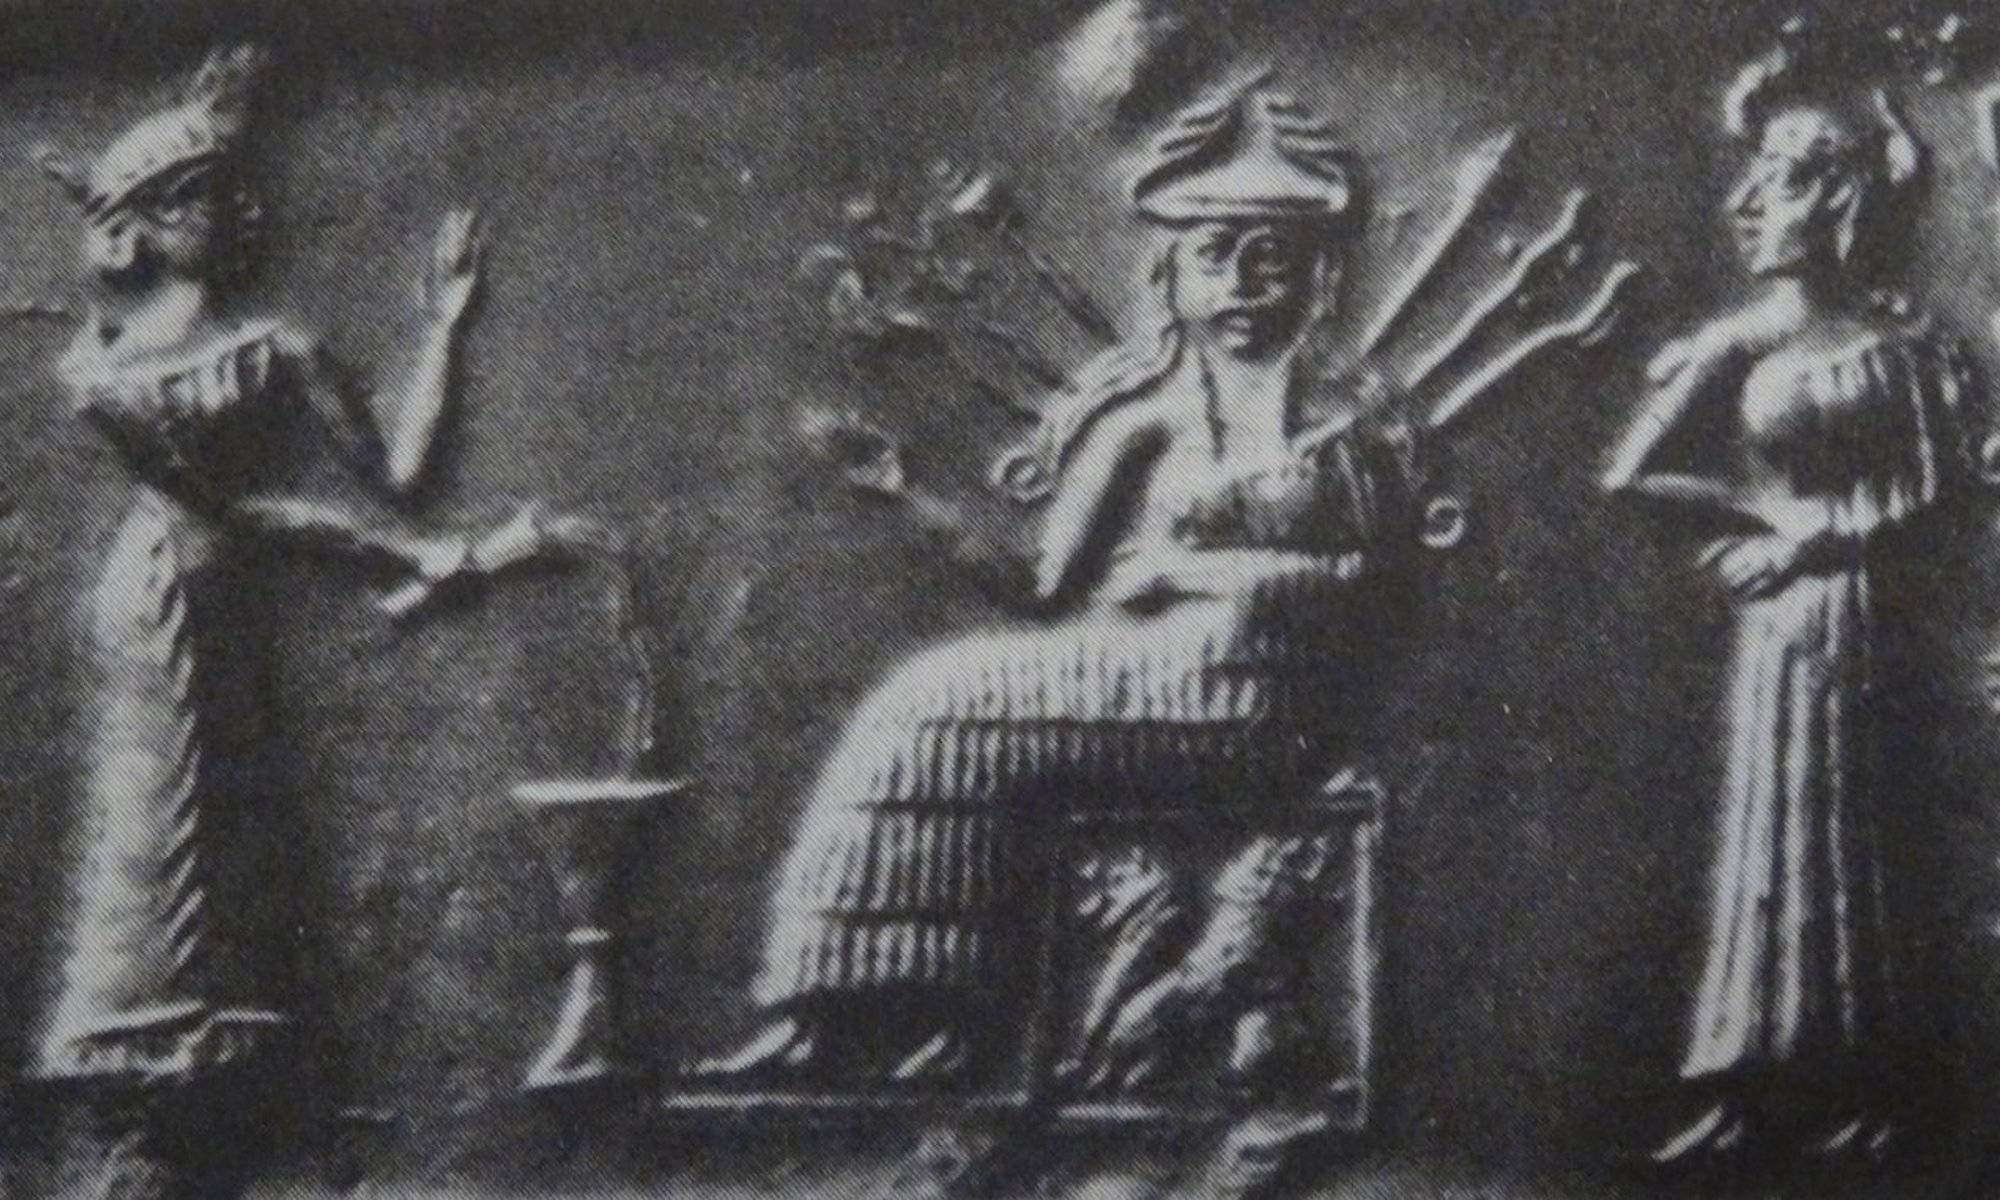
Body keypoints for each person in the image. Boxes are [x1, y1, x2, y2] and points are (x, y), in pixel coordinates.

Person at [695, 80, 1428, 1086]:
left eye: (1272, 258)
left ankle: (936, 1027)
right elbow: (1039, 589)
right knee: (919, 709)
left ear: (1318, 280)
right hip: (1147, 682)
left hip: (1273, 707)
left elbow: (1375, 588)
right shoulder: (1142, 427)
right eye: (1216, 256)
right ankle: (852, 1015)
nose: (1244, 285)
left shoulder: (1350, 436)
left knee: (945, 708)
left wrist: (1197, 572)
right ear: (1170, 277)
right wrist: (908, 492)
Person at [31, 46, 571, 1082]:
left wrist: (443, 332)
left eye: (244, 195)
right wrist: (402, 554)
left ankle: (212, 1016)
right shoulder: (95, 375)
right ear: (152, 222)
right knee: (164, 791)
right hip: (161, 589)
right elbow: (235, 509)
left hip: (221, 586)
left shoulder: (278, 351)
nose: (249, 215)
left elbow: (400, 474)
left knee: (233, 788)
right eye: (216, 197)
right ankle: (142, 1022)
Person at [1603, 54, 1976, 1162]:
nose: (1747, 203)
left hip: (1872, 621)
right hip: (1782, 625)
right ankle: (1745, 1088)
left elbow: (1936, 495)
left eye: (1782, 179)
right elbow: (1631, 473)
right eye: (1755, 176)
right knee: (1770, 845)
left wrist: (1825, 537)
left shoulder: (1909, 351)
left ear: (1842, 201)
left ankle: (1871, 1098)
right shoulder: (1740, 342)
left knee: (1865, 848)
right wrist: (1762, 517)